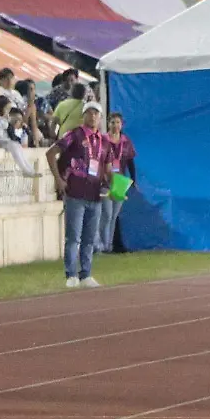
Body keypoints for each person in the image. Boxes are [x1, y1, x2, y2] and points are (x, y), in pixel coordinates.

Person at [46, 101, 113, 289]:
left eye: (96, 114)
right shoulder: (74, 135)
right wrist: (58, 180)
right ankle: (71, 274)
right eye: (89, 113)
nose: (93, 117)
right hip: (75, 192)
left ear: (101, 118)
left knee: (89, 238)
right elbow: (51, 153)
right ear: (83, 116)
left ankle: (86, 274)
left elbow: (108, 169)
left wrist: (115, 187)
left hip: (95, 194)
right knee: (73, 236)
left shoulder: (105, 142)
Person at [100, 112, 136, 254]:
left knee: (114, 215)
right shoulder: (103, 140)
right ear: (108, 124)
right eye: (112, 122)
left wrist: (134, 179)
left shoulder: (126, 142)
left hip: (120, 180)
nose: (115, 126)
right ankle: (102, 245)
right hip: (105, 180)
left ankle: (109, 246)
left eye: (118, 123)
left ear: (122, 125)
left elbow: (130, 161)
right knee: (106, 214)